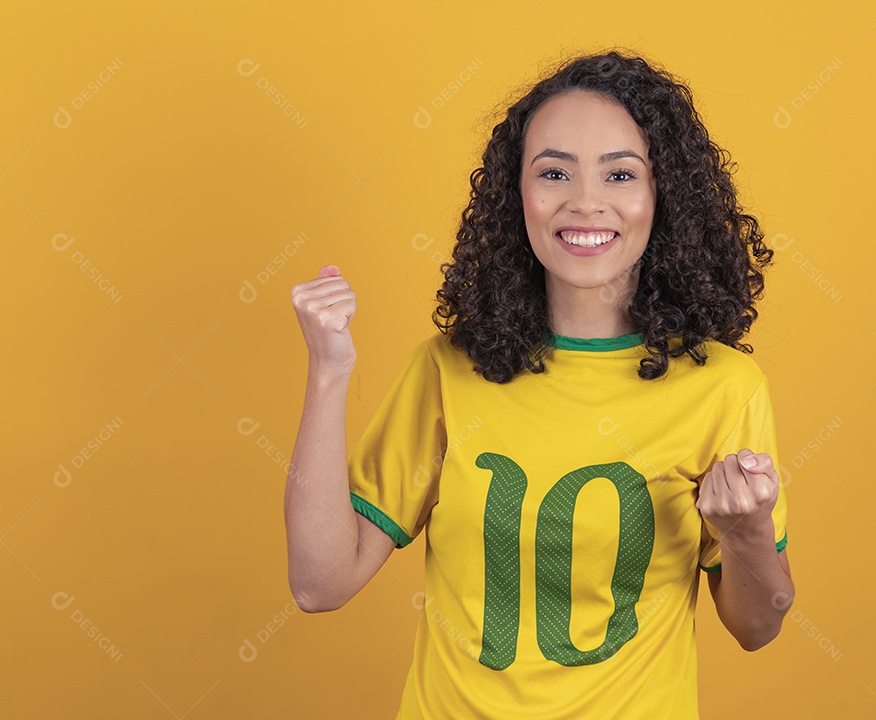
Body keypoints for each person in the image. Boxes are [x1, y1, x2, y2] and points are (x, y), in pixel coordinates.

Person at [285, 49, 794, 719]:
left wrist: (748, 530)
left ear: (662, 196)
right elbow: (319, 584)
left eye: (620, 174)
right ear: (514, 194)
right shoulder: (448, 369)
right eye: (554, 172)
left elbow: (757, 626)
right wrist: (328, 370)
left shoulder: (723, 387)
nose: (585, 202)